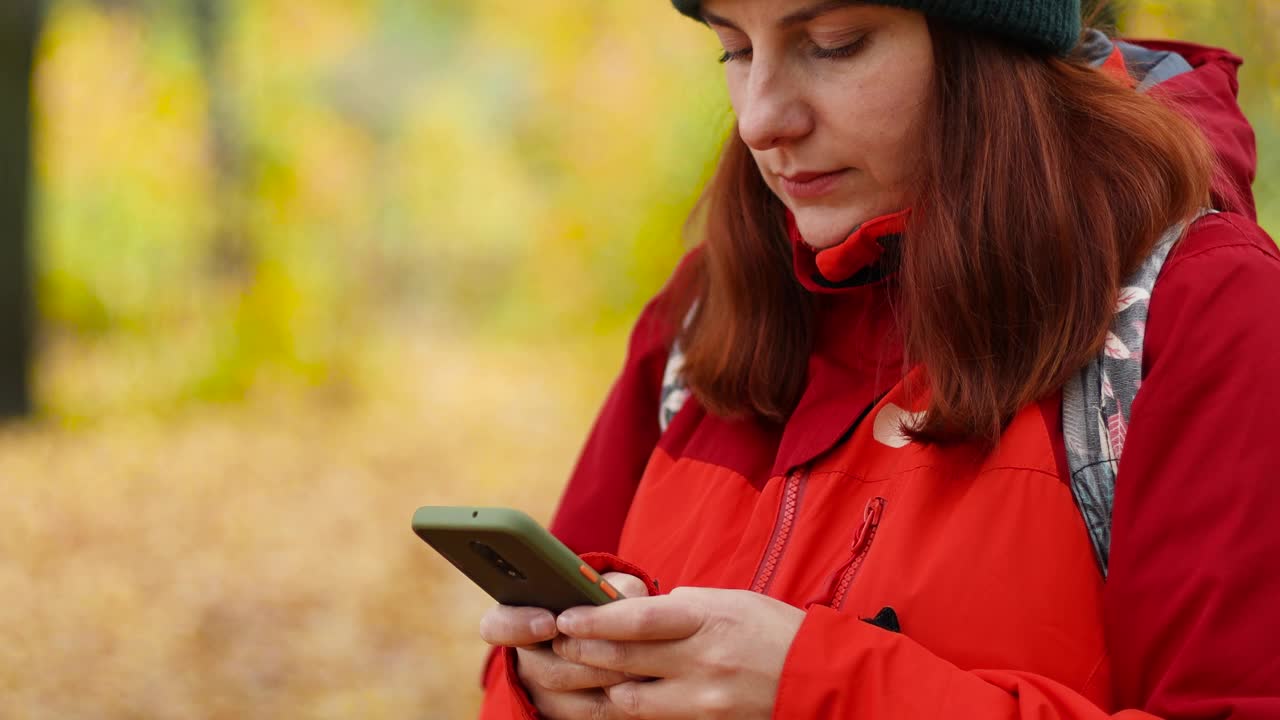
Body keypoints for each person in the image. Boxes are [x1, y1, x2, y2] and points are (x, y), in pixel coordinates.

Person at [476, 1, 1280, 718]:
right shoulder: (702, 311)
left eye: (833, 43)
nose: (760, 119)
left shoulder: (1201, 313)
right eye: (735, 49)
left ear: (987, 47)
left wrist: (816, 691)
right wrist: (554, 682)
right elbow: (519, 668)